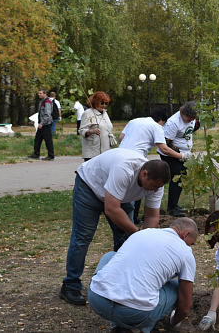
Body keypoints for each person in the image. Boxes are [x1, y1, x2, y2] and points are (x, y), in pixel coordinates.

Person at [58, 149, 170, 307]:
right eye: (153, 186)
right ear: (144, 174)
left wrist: (146, 241)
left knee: (125, 241)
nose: (155, 190)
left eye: (159, 187)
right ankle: (70, 285)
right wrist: (137, 234)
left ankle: (120, 285)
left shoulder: (157, 184)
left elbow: (152, 217)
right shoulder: (124, 169)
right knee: (83, 236)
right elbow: (111, 209)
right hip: (89, 188)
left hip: (120, 195)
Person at [88, 218, 198, 333]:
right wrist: (173, 323)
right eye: (191, 243)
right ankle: (137, 329)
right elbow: (185, 306)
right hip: (135, 313)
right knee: (178, 287)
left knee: (111, 255)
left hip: (97, 300)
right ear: (186, 234)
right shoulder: (185, 252)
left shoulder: (142, 233)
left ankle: (117, 325)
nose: (190, 246)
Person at [118, 109, 173, 223]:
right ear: (161, 120)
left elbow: (121, 138)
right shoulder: (156, 126)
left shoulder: (134, 121)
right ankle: (131, 218)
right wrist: (181, 155)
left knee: (122, 186)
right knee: (138, 185)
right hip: (135, 158)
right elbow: (163, 148)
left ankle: (125, 213)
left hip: (119, 156)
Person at [158, 102, 199, 217]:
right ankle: (171, 208)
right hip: (170, 154)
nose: (191, 120)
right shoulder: (173, 123)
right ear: (182, 113)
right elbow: (166, 144)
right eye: (189, 117)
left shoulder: (191, 119)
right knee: (176, 178)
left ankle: (175, 205)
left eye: (193, 118)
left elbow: (191, 128)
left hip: (184, 153)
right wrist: (180, 155)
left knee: (182, 178)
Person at [79, 92, 114, 161]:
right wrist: (92, 131)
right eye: (102, 103)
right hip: (93, 151)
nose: (104, 105)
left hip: (105, 151)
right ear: (96, 102)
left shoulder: (105, 113)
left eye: (106, 103)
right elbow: (82, 131)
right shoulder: (88, 113)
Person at [27, 88, 55, 161]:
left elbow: (47, 114)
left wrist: (42, 123)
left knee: (48, 140)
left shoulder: (47, 102)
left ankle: (51, 155)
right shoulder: (42, 102)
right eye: (39, 93)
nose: (39, 94)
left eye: (40, 93)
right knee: (37, 139)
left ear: (45, 93)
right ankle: (36, 154)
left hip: (46, 124)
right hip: (42, 123)